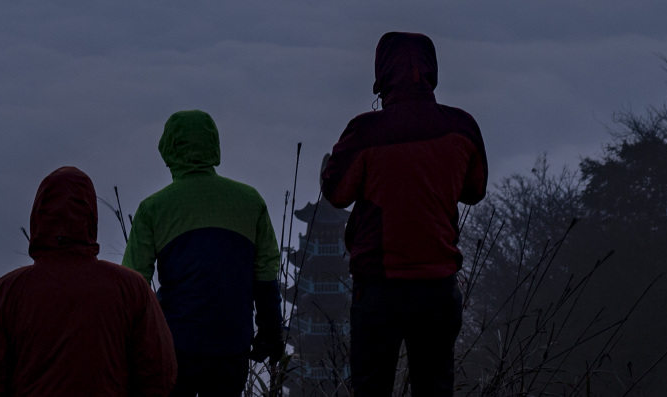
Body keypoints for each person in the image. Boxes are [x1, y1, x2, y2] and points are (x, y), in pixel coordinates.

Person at [320, 32, 487, 397]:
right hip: (439, 286)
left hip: (380, 288)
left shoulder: (366, 131)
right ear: (432, 72)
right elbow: (474, 191)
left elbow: (336, 192)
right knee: (435, 386)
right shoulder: (462, 128)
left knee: (371, 388)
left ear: (382, 74)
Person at [0, 166, 178, 397]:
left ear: (38, 217)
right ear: (91, 217)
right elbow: (160, 372)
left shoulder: (3, 294)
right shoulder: (131, 288)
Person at [121, 111, 284, 397]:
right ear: (214, 146)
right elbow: (266, 272)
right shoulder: (250, 201)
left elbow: (133, 285)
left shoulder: (153, 209)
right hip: (232, 345)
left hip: (175, 346)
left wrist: (132, 347)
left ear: (167, 149)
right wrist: (270, 333)